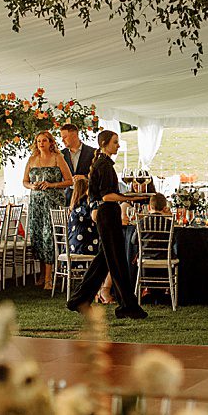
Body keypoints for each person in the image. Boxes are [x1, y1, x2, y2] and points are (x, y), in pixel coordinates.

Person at [67, 130, 148, 319]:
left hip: (108, 213)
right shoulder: (103, 164)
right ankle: (128, 305)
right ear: (105, 144)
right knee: (117, 261)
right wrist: (133, 197)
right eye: (115, 142)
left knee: (104, 260)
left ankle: (79, 299)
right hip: (107, 213)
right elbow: (106, 195)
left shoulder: (102, 163)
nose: (118, 146)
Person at [24, 130, 74, 290]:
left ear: (51, 142)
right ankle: (41, 274)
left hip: (53, 203)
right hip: (36, 204)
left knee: (49, 237)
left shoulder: (58, 158)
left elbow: (69, 181)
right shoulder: (32, 159)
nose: (41, 143)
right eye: (39, 141)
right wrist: (32, 186)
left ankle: (48, 278)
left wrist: (51, 185)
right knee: (38, 236)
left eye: (44, 140)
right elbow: (25, 181)